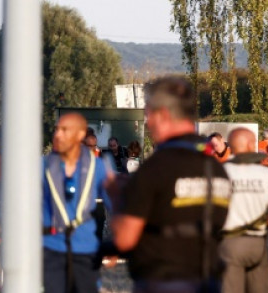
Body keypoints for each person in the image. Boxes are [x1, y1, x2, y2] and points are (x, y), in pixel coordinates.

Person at [110, 76, 232, 293]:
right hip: (209, 281)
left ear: (163, 115)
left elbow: (124, 239)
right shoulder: (215, 168)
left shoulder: (155, 169)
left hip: (163, 281)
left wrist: (117, 197)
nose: (147, 123)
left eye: (148, 115)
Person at [42, 111, 115, 293]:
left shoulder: (97, 166)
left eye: (64, 130)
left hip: (85, 249)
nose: (57, 135)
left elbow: (116, 205)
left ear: (80, 135)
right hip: (50, 249)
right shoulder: (42, 166)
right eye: (57, 129)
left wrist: (115, 243)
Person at [218, 127, 268, 293]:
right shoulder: (264, 175)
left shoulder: (220, 172)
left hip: (229, 243)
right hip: (257, 243)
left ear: (231, 147)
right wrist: (260, 222)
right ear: (252, 145)